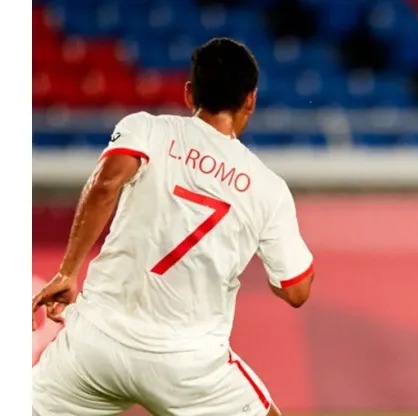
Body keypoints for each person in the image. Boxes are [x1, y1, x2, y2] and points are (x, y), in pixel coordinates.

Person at [31, 38, 315, 416]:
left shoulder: (146, 130)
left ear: (188, 93)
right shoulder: (268, 188)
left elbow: (106, 183)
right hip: (188, 367)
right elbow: (296, 290)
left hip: (96, 343)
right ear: (251, 100)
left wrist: (68, 271)